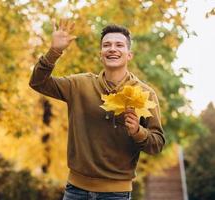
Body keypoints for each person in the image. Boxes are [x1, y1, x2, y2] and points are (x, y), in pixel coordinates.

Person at [29, 19, 165, 200]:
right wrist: (54, 52)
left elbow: (157, 144)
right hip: (75, 191)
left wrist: (138, 132)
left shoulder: (145, 94)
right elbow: (38, 82)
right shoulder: (79, 85)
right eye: (106, 45)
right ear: (101, 54)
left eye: (119, 45)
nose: (112, 49)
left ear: (129, 54)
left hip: (117, 194)